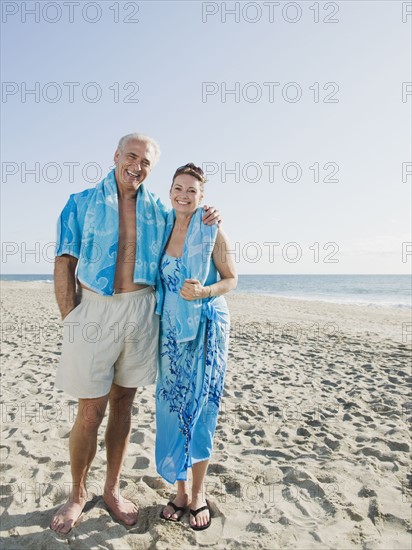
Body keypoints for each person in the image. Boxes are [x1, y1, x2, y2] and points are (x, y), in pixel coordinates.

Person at [51, 135, 220, 534]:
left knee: (123, 406)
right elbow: (64, 260)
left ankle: (111, 489)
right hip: (94, 310)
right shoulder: (81, 202)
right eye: (132, 156)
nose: (137, 166)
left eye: (145, 162)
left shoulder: (160, 209)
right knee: (90, 411)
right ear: (116, 156)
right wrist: (70, 318)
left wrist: (209, 212)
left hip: (142, 311)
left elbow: (188, 222)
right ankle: (77, 493)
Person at [155, 163, 237, 530]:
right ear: (170, 190)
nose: (183, 195)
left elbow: (231, 279)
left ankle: (199, 492)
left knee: (202, 407)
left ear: (202, 197)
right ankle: (180, 491)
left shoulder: (211, 228)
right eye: (178, 188)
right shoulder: (160, 227)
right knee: (172, 409)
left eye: (191, 190)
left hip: (207, 328)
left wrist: (204, 290)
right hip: (172, 333)